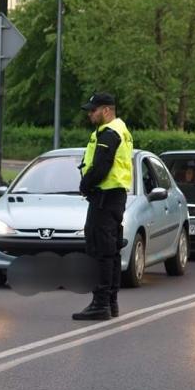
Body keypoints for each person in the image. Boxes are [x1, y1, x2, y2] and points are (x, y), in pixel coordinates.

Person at [73, 92, 133, 321]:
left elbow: (101, 166)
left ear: (106, 110)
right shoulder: (120, 130)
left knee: (101, 250)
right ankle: (110, 302)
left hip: (105, 196)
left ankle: (101, 304)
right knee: (111, 249)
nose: (90, 114)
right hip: (114, 196)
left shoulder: (110, 132)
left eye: (93, 110)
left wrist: (85, 185)